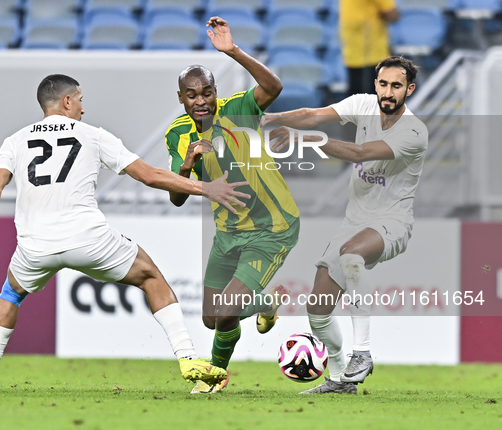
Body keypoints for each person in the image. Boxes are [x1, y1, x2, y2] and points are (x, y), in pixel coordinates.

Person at [0, 74, 251, 393]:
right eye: (80, 100)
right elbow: (151, 176)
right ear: (67, 102)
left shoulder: (15, 141)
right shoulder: (93, 135)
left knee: (10, 294)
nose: (83, 109)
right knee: (150, 277)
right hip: (88, 237)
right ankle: (187, 359)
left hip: (35, 245)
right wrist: (206, 188)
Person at [262, 56, 427, 394]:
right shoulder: (363, 105)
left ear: (409, 89)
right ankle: (339, 380)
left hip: (392, 222)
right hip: (354, 221)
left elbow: (360, 153)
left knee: (352, 255)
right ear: (375, 84)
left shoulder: (414, 131)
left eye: (397, 86)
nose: (388, 92)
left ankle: (362, 353)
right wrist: (269, 117)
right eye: (383, 84)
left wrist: (304, 140)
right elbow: (311, 114)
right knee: (318, 311)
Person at [165, 17, 300, 394]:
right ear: (181, 99)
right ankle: (265, 302)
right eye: (192, 95)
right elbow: (176, 196)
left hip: (271, 228)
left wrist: (233, 51)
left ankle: (213, 377)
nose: (201, 101)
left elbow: (274, 86)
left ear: (215, 91)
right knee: (212, 319)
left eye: (206, 92)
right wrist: (189, 168)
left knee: (226, 312)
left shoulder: (238, 109)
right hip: (227, 234)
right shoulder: (177, 133)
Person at [340, 0, 399, 95]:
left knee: (355, 101)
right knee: (373, 102)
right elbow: (392, 14)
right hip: (370, 52)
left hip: (352, 49)